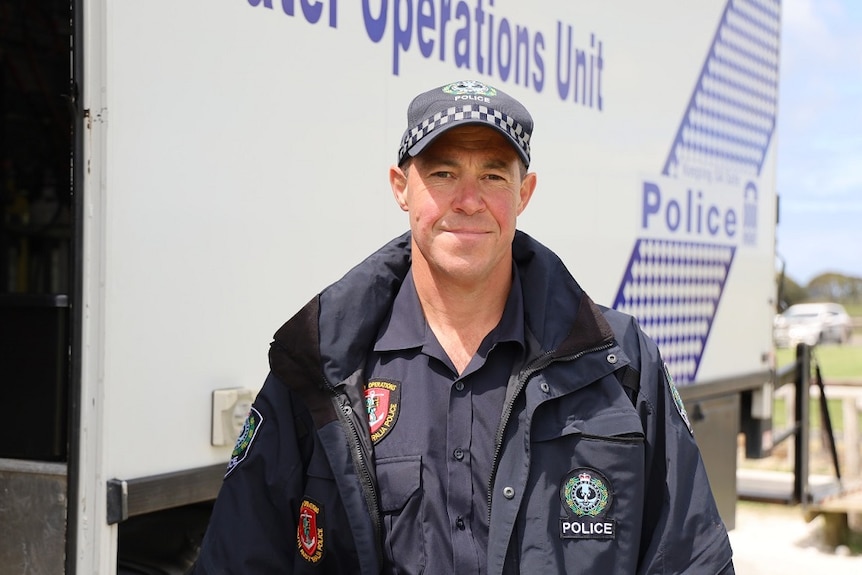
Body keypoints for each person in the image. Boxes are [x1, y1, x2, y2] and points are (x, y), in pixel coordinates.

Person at [191, 80, 735, 574]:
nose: (468, 200)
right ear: (400, 186)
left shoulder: (620, 364)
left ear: (525, 193)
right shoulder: (319, 367)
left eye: (493, 175)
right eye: (443, 173)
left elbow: (691, 560)